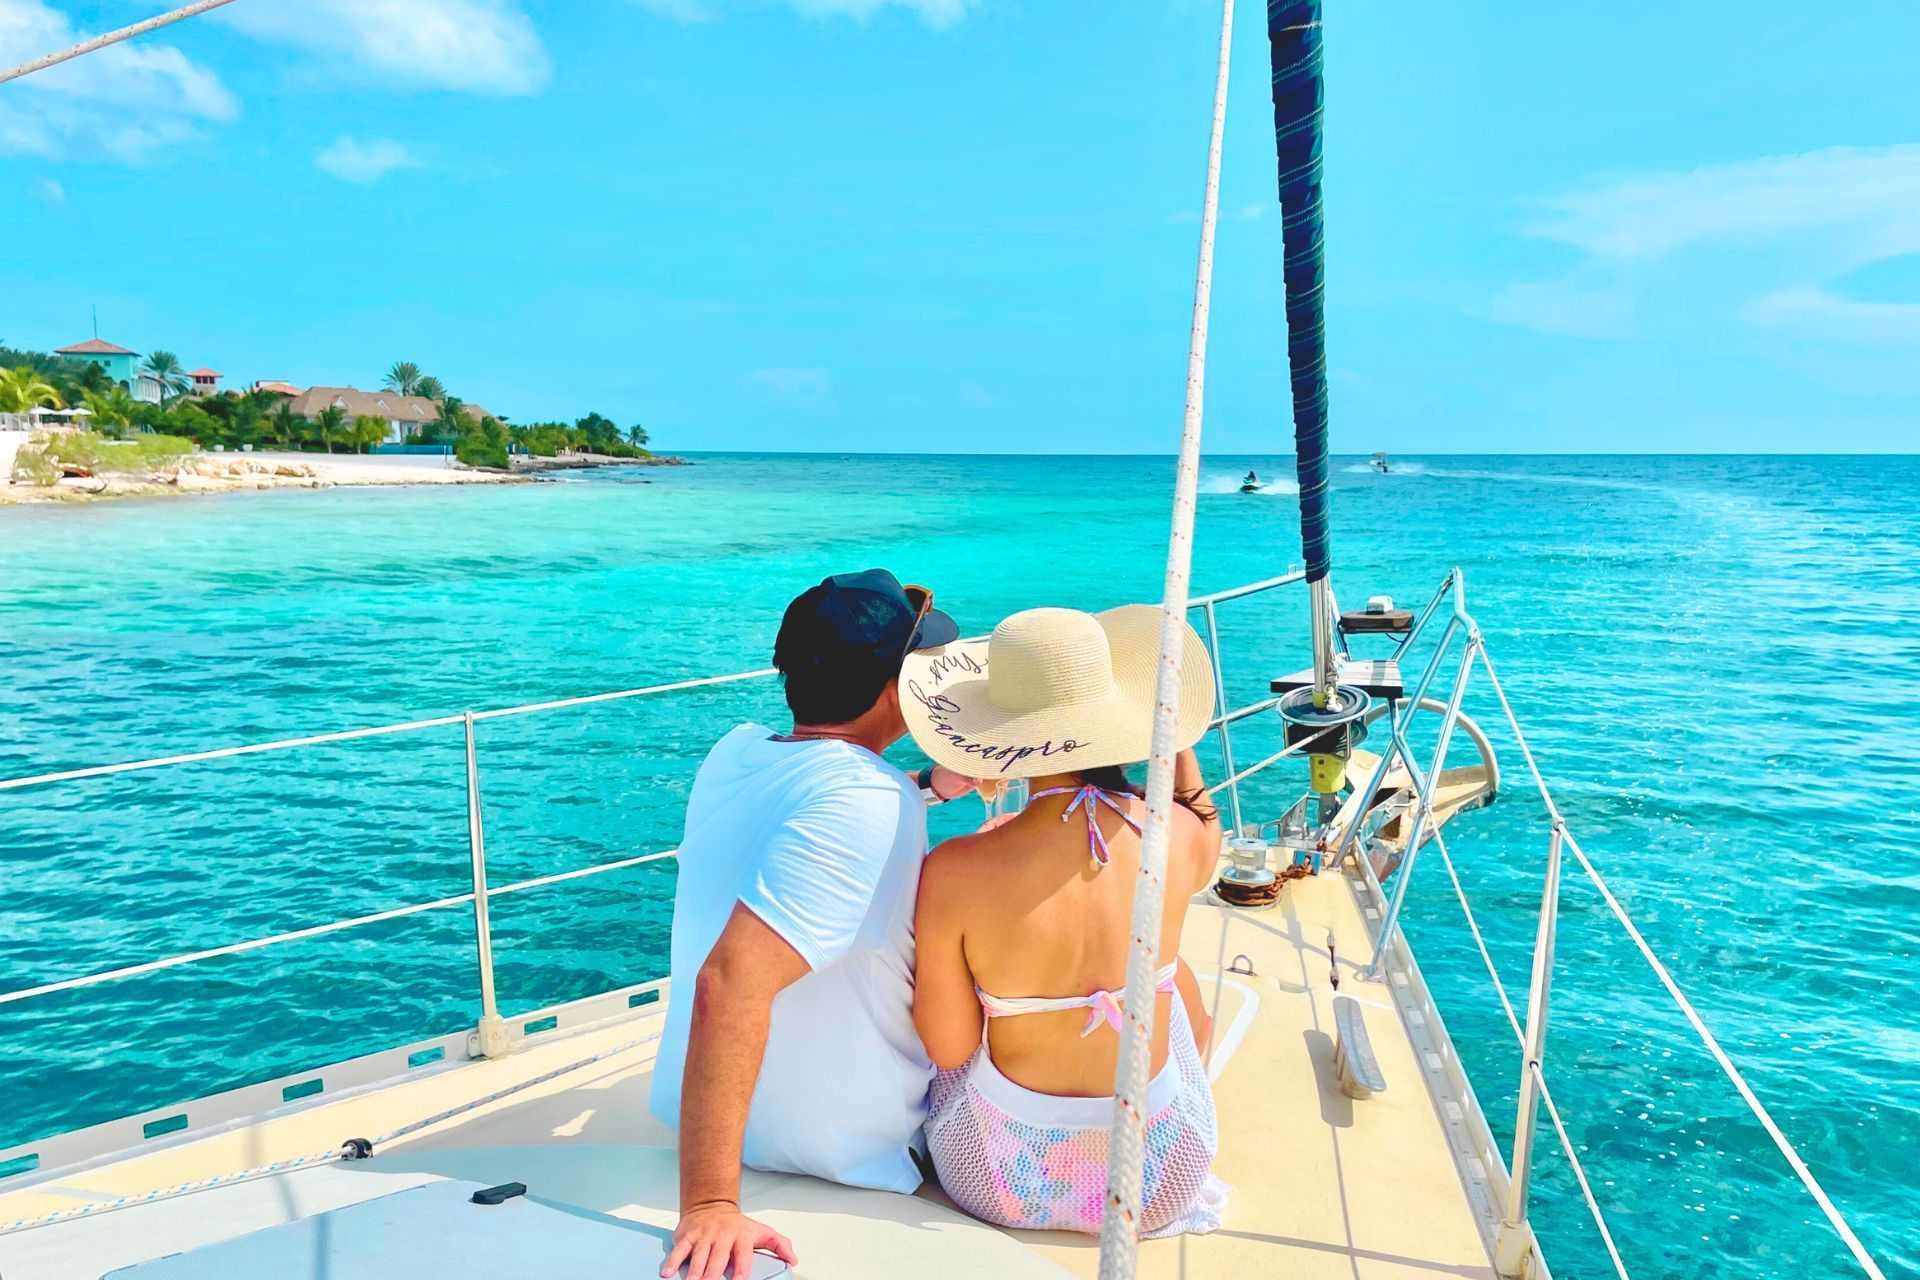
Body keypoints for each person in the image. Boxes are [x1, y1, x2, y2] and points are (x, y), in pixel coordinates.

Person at [651, 569, 977, 1280]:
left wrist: (924, 788)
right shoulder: (864, 801)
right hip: (842, 1151)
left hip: (708, 1118)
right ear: (900, 687)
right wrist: (709, 1203)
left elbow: (821, 812)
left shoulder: (735, 752)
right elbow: (729, 983)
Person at [900, 604, 1228, 1237]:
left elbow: (950, 1047)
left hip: (993, 1179)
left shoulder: (957, 870)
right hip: (1158, 1180)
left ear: (1000, 732)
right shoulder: (1180, 838)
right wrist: (1172, 733)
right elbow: (1200, 822)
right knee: (1169, 977)